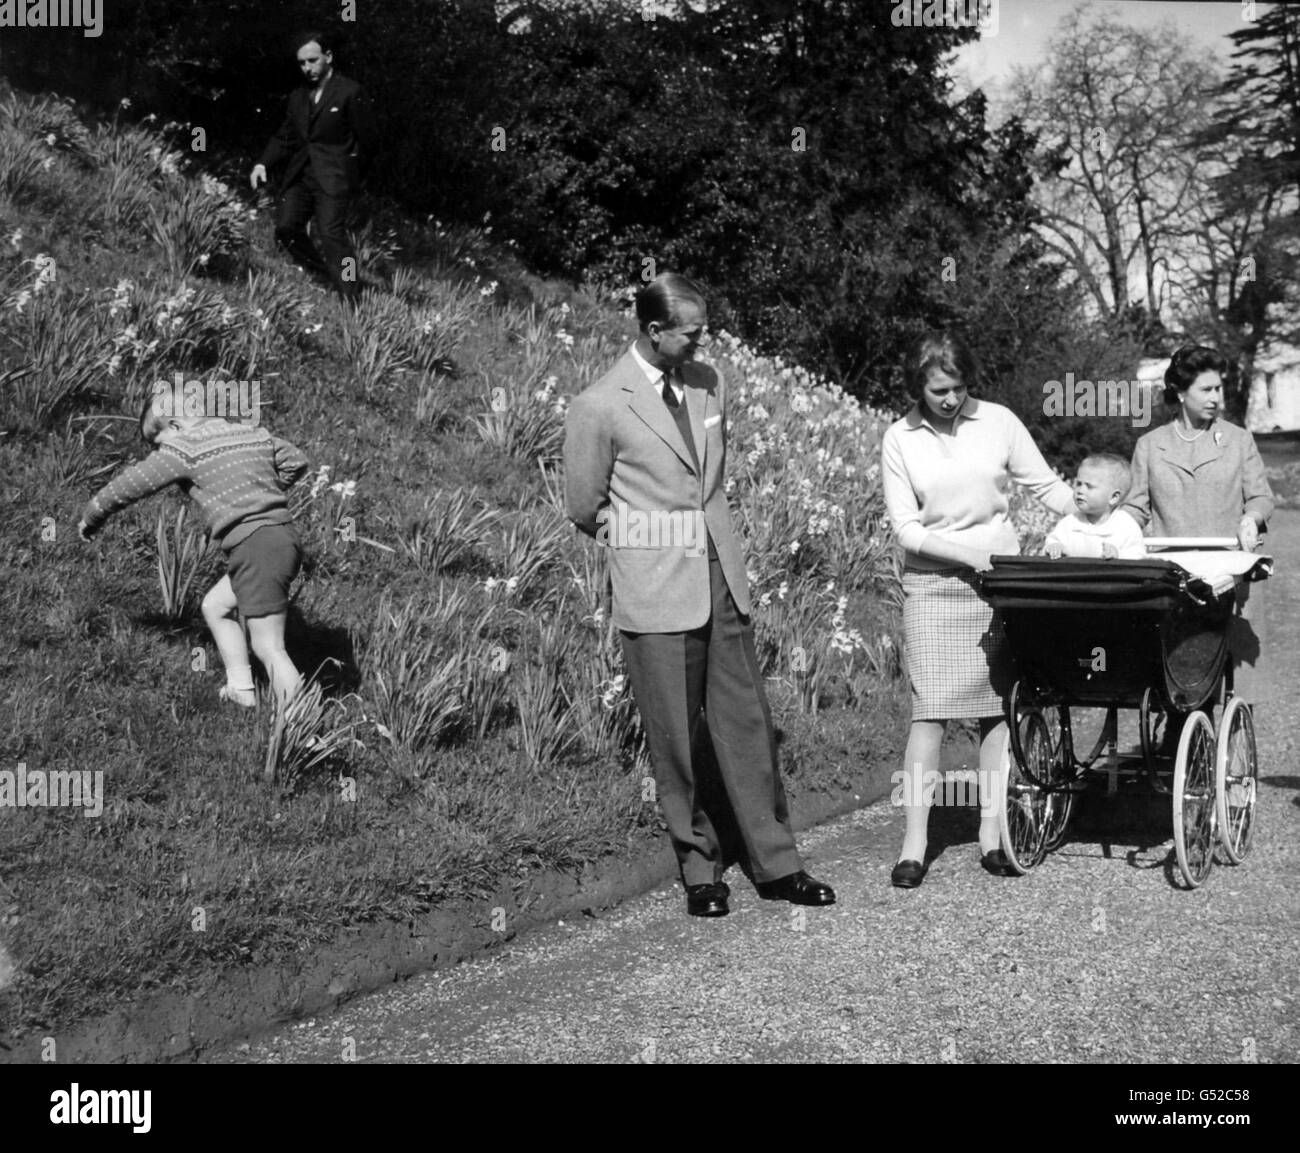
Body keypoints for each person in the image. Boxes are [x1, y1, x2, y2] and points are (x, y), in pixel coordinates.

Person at [563, 272, 835, 918]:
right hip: (655, 589)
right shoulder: (599, 404)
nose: (703, 342)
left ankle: (777, 861)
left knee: (748, 724)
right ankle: (700, 867)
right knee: (677, 737)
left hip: (722, 578)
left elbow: (709, 479)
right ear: (655, 331)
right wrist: (646, 544)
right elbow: (583, 504)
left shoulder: (710, 383)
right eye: (693, 332)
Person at [880, 330, 1075, 887]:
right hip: (936, 584)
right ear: (918, 387)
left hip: (999, 584)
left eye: (959, 389)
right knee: (929, 714)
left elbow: (1047, 488)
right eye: (939, 390)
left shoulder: (999, 422)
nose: (950, 400)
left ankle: (992, 833)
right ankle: (914, 844)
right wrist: (971, 556)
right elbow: (907, 529)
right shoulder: (900, 438)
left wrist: (1103, 513)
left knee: (997, 711)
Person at [78, 400, 310, 708]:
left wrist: (92, 515)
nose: (158, 453)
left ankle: (304, 730)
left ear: (175, 426)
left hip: (255, 544)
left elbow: (134, 483)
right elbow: (297, 460)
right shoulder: (248, 432)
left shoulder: (185, 446)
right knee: (216, 607)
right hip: (280, 538)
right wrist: (258, 490)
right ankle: (241, 688)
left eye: (157, 445)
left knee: (270, 647)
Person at [1123, 344, 1274, 697]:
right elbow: (1135, 507)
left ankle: (1234, 742)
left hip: (1229, 573)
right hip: (1176, 577)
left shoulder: (1238, 440)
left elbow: (1261, 497)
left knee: (1238, 680)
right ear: (1179, 392)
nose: (1216, 398)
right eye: (1206, 390)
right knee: (1182, 679)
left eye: (1218, 388)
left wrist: (1252, 519)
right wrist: (1110, 533)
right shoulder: (1150, 445)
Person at [250, 29, 372, 300]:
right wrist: (262, 164)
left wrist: (353, 177)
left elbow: (367, 141)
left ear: (328, 57)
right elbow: (285, 136)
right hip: (301, 175)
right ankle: (323, 273)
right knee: (286, 228)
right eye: (302, 63)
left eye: (313, 60)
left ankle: (352, 295)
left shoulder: (350, 92)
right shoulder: (297, 97)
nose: (307, 68)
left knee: (331, 235)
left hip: (334, 178)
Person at [1044, 453, 1146, 559]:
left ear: (1113, 497)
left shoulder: (1125, 525)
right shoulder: (1070, 522)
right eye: (1079, 484)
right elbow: (1053, 541)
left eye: (1089, 486)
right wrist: (1054, 547)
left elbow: (1138, 556)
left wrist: (1118, 554)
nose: (1080, 491)